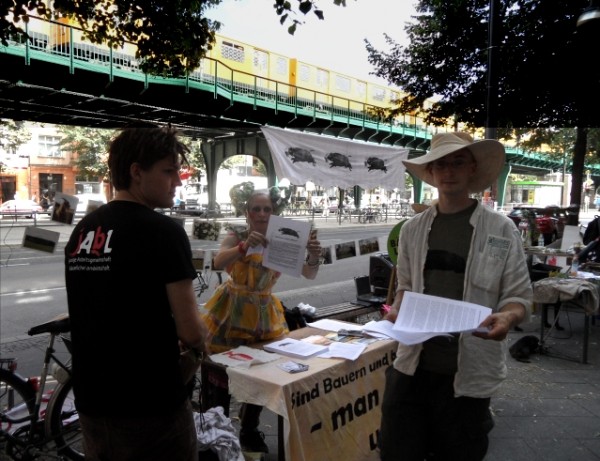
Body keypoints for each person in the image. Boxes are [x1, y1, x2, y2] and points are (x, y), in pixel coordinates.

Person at [378, 132, 533, 461]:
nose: (449, 171)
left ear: (472, 168)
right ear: (431, 172)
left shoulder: (500, 229)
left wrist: (508, 316)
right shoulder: (412, 230)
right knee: (396, 451)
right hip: (411, 366)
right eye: (441, 164)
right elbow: (405, 289)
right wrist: (397, 312)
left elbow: (519, 295)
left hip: (469, 374)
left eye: (458, 162)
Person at [64, 126, 210, 461]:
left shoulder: (84, 230)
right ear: (136, 172)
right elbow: (191, 331)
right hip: (150, 406)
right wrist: (202, 342)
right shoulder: (163, 232)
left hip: (91, 401)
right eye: (169, 171)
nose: (179, 181)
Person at [201, 184, 322, 453]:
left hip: (265, 314)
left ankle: (249, 428)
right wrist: (244, 246)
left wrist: (313, 254)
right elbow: (219, 261)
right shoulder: (237, 235)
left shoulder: (284, 238)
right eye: (256, 209)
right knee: (222, 372)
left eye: (267, 209)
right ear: (247, 212)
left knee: (261, 370)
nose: (262, 214)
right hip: (230, 311)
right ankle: (217, 430)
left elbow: (309, 274)